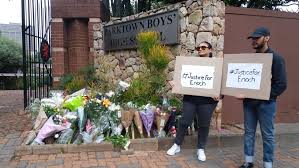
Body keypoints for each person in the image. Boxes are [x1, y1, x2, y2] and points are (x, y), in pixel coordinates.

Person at [238, 27, 287, 168]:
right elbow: (244, 79)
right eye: (252, 38)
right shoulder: (250, 59)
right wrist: (239, 90)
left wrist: (263, 95)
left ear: (267, 38)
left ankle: (268, 164)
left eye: (257, 38)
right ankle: (248, 161)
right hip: (248, 103)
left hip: (266, 104)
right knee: (248, 133)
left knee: (268, 135)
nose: (253, 41)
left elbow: (281, 84)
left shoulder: (276, 59)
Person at [166, 41, 221, 161]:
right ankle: (177, 145)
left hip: (207, 101)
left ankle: (200, 148)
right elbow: (183, 79)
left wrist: (220, 95)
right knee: (184, 121)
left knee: (204, 125)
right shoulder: (191, 63)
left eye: (203, 47)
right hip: (190, 99)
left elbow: (221, 83)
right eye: (198, 48)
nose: (200, 49)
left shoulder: (217, 65)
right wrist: (175, 84)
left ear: (210, 50)